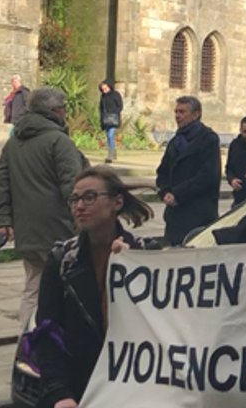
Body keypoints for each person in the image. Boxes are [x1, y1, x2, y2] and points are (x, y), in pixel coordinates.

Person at [32, 168, 154, 408]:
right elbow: (47, 332)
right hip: (80, 389)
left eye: (89, 197)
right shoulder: (62, 260)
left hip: (132, 390)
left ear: (117, 202)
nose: (79, 206)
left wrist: (133, 268)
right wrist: (60, 394)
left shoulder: (144, 253)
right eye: (75, 199)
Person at [0, 87, 83, 328]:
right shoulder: (58, 141)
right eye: (64, 108)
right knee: (65, 287)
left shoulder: (13, 143)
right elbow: (72, 185)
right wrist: (81, 220)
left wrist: (4, 221)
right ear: (55, 111)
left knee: (33, 287)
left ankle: (26, 338)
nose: (66, 112)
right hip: (58, 228)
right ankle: (55, 341)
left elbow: (1, 183)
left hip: (26, 230)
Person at [155, 95, 221, 246]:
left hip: (198, 213)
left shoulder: (208, 139)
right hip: (175, 215)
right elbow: (163, 171)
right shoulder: (175, 142)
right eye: (176, 112)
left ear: (196, 114)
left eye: (182, 112)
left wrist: (178, 194)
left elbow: (208, 175)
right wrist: (165, 192)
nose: (177, 116)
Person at [97, 81, 123, 163]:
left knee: (111, 134)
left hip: (114, 118)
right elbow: (101, 108)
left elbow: (120, 106)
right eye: (102, 89)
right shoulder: (103, 97)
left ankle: (110, 155)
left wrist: (114, 112)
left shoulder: (115, 94)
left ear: (109, 87)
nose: (104, 90)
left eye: (105, 88)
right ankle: (113, 153)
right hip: (106, 119)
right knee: (108, 135)